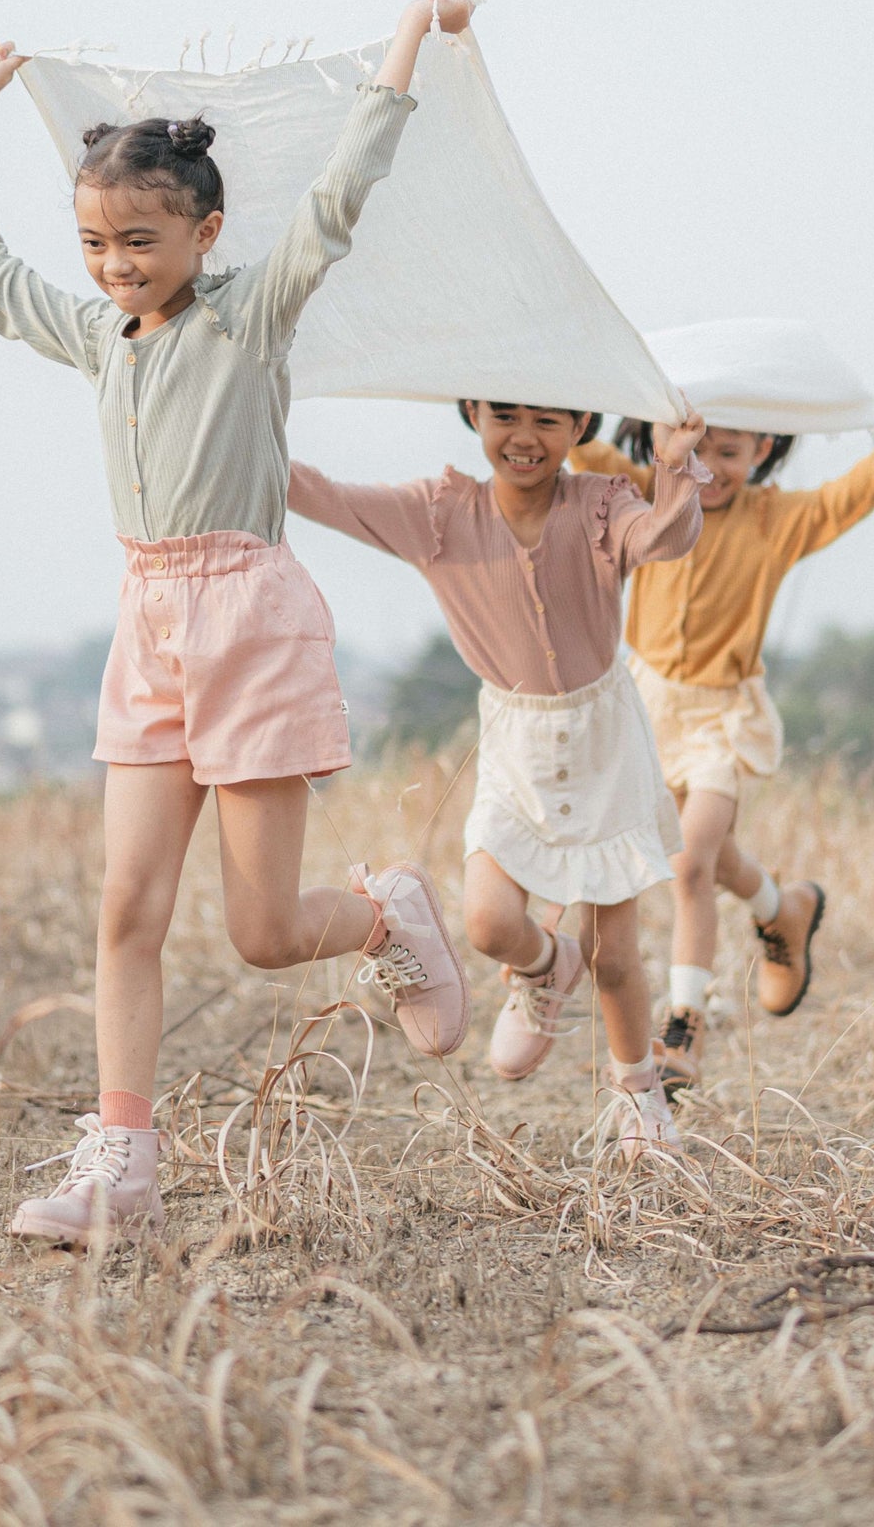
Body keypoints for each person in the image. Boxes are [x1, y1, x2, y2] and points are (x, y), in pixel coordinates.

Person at [0, 0, 476, 1245]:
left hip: (248, 618)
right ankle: (123, 1167)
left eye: (140, 236)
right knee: (126, 908)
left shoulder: (247, 314)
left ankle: (386, 909)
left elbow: (339, 199)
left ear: (203, 229)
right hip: (148, 624)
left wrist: (403, 47)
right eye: (97, 240)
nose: (116, 261)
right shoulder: (96, 333)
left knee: (266, 932)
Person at [287, 396, 709, 1156]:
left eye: (548, 421)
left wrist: (674, 466)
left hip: (603, 734)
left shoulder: (602, 503)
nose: (524, 438)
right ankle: (547, 968)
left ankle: (641, 1100)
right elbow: (326, 497)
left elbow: (664, 539)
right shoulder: (440, 513)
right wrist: (234, 429)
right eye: (504, 416)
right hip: (515, 738)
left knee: (617, 954)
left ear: (581, 428)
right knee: (486, 923)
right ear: (473, 414)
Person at [573, 409, 874, 1097]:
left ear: (762, 447)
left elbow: (836, 503)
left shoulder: (773, 520)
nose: (708, 467)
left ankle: (684, 1025)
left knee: (688, 866)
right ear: (659, 441)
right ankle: (783, 908)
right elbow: (581, 454)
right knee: (710, 856)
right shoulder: (644, 490)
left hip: (721, 713)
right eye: (695, 449)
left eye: (729, 452)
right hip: (646, 701)